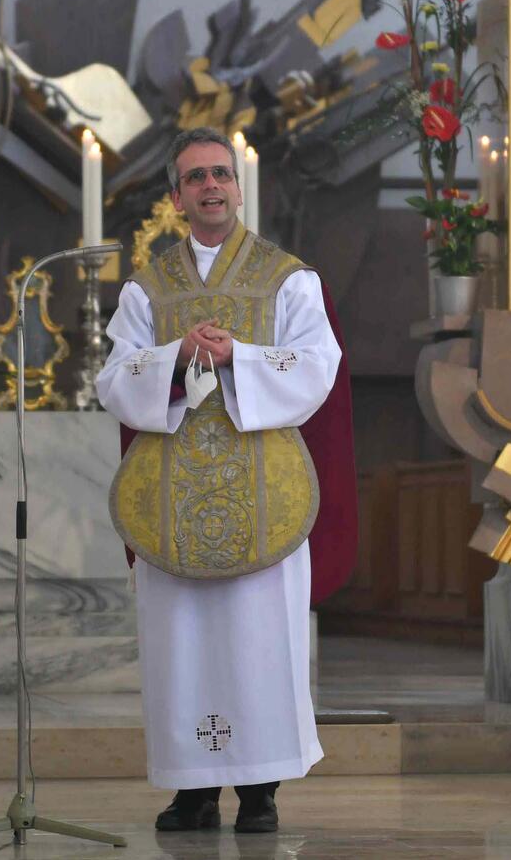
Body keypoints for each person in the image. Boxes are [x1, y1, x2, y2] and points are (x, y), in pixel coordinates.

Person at [98, 127, 346, 834]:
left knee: (260, 639)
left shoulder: (288, 277)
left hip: (263, 486)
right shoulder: (148, 288)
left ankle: (261, 789)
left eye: (221, 175)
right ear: (176, 197)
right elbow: (114, 377)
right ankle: (192, 789)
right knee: (180, 643)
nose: (211, 186)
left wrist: (239, 354)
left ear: (239, 187)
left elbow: (318, 365)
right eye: (196, 177)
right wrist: (175, 355)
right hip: (172, 488)